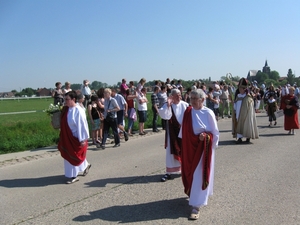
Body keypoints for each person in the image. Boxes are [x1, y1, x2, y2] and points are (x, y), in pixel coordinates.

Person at [179, 88, 219, 220]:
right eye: (191, 98)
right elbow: (183, 132)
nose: (193, 101)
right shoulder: (188, 112)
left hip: (203, 150)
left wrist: (206, 137)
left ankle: (196, 206)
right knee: (191, 173)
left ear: (202, 99)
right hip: (190, 148)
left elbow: (215, 133)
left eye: (195, 99)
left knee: (198, 176)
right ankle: (196, 196)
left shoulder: (208, 113)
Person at [57, 91, 91, 184]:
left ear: (73, 99)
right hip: (67, 137)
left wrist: (82, 139)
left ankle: (73, 176)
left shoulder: (78, 110)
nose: (65, 101)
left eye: (67, 99)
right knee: (69, 156)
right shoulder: (66, 109)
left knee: (74, 156)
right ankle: (86, 165)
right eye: (65, 99)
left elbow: (82, 126)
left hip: (75, 138)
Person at [158, 88, 189, 182]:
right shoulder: (168, 105)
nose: (179, 97)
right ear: (172, 96)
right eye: (176, 96)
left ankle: (184, 169)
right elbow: (164, 115)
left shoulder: (185, 104)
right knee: (170, 152)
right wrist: (168, 104)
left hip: (183, 132)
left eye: (180, 95)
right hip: (172, 133)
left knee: (184, 150)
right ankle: (169, 172)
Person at [232, 78, 259, 144]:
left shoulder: (248, 97)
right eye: (239, 88)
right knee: (239, 124)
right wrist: (233, 104)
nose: (239, 89)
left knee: (247, 124)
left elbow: (250, 105)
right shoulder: (238, 96)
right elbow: (235, 105)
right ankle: (239, 138)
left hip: (246, 114)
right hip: (238, 113)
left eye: (241, 88)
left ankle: (248, 137)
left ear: (244, 89)